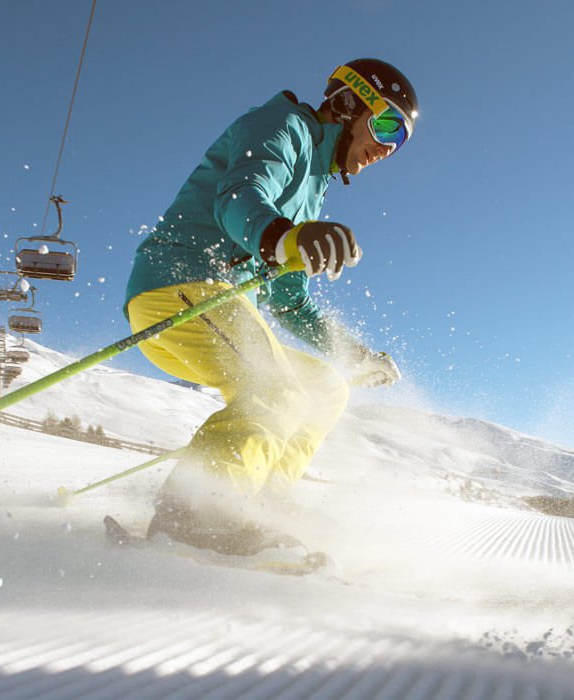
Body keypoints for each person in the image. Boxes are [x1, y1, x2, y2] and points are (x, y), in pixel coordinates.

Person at [123, 58, 418, 557]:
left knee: (323, 387)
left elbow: (287, 300)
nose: (386, 149)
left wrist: (354, 354)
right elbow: (240, 198)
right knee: (275, 388)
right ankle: (193, 516)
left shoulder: (313, 189)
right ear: (349, 104)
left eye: (400, 142)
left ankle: (258, 503)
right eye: (387, 124)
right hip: (182, 285)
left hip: (222, 306)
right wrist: (281, 236)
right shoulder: (284, 126)